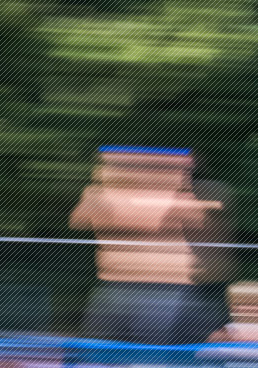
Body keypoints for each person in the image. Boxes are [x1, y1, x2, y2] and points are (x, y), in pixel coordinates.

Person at [70, 146, 232, 344]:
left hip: (166, 285)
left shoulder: (190, 195)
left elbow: (199, 226)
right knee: (99, 347)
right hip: (115, 281)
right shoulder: (99, 193)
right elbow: (78, 221)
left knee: (150, 346)